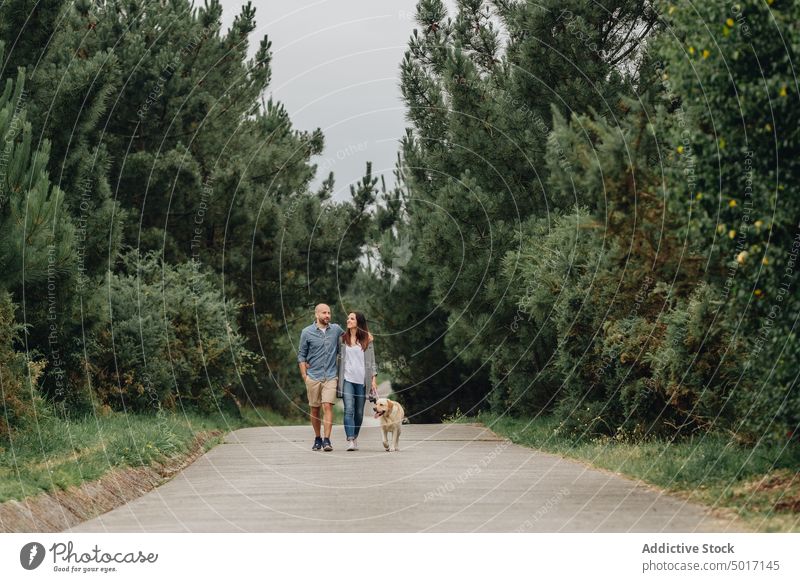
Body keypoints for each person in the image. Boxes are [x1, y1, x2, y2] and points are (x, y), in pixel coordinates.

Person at [298, 304, 343, 451]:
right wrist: (305, 375)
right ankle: (317, 438)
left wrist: (366, 335)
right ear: (316, 314)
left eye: (329, 313)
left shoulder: (336, 330)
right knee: (315, 409)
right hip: (313, 377)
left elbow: (350, 337)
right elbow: (301, 355)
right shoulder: (306, 332)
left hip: (330, 376)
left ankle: (327, 440)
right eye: (324, 313)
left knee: (327, 405)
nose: (327, 315)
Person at [338, 312, 378, 451]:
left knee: (359, 412)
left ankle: (355, 437)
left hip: (362, 381)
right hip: (347, 379)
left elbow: (372, 362)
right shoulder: (342, 339)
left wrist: (373, 380)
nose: (348, 320)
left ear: (358, 322)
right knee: (349, 409)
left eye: (351, 318)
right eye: (348, 318)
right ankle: (350, 439)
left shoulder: (368, 339)